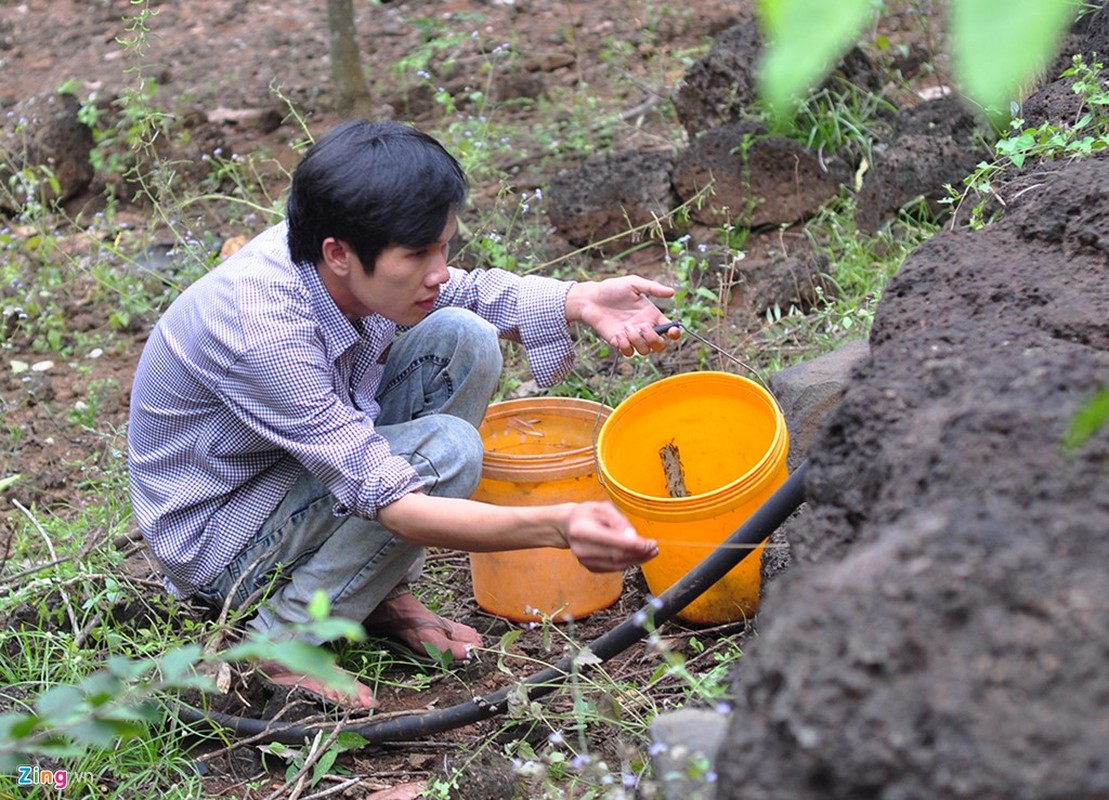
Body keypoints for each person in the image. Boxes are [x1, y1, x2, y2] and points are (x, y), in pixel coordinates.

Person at [128, 119, 678, 710]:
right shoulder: (266, 330)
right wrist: (558, 526)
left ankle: (373, 590)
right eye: (418, 253)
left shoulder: (330, 257)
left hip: (285, 471)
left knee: (463, 339)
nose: (439, 269)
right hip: (224, 542)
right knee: (446, 453)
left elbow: (462, 293)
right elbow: (391, 497)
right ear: (339, 252)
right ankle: (282, 642)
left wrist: (580, 298)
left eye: (443, 245)